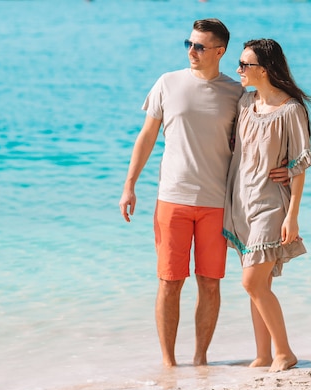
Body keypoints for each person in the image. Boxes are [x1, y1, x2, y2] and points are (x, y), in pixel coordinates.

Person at [118, 20, 288, 367]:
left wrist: (287, 165)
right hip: (171, 199)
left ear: (219, 52)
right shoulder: (168, 83)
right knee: (169, 283)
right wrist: (129, 185)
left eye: (199, 46)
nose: (191, 51)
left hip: (216, 204)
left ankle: (200, 360)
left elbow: (265, 126)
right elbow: (147, 137)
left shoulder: (236, 93)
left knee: (210, 284)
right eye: (189, 44)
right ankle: (168, 363)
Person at [223, 38, 311, 372]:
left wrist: (292, 216)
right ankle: (263, 354)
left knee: (251, 282)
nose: (238, 70)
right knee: (259, 286)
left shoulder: (291, 109)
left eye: (244, 65)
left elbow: (300, 164)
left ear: (263, 70)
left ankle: (285, 352)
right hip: (240, 201)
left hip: (270, 204)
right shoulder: (245, 103)